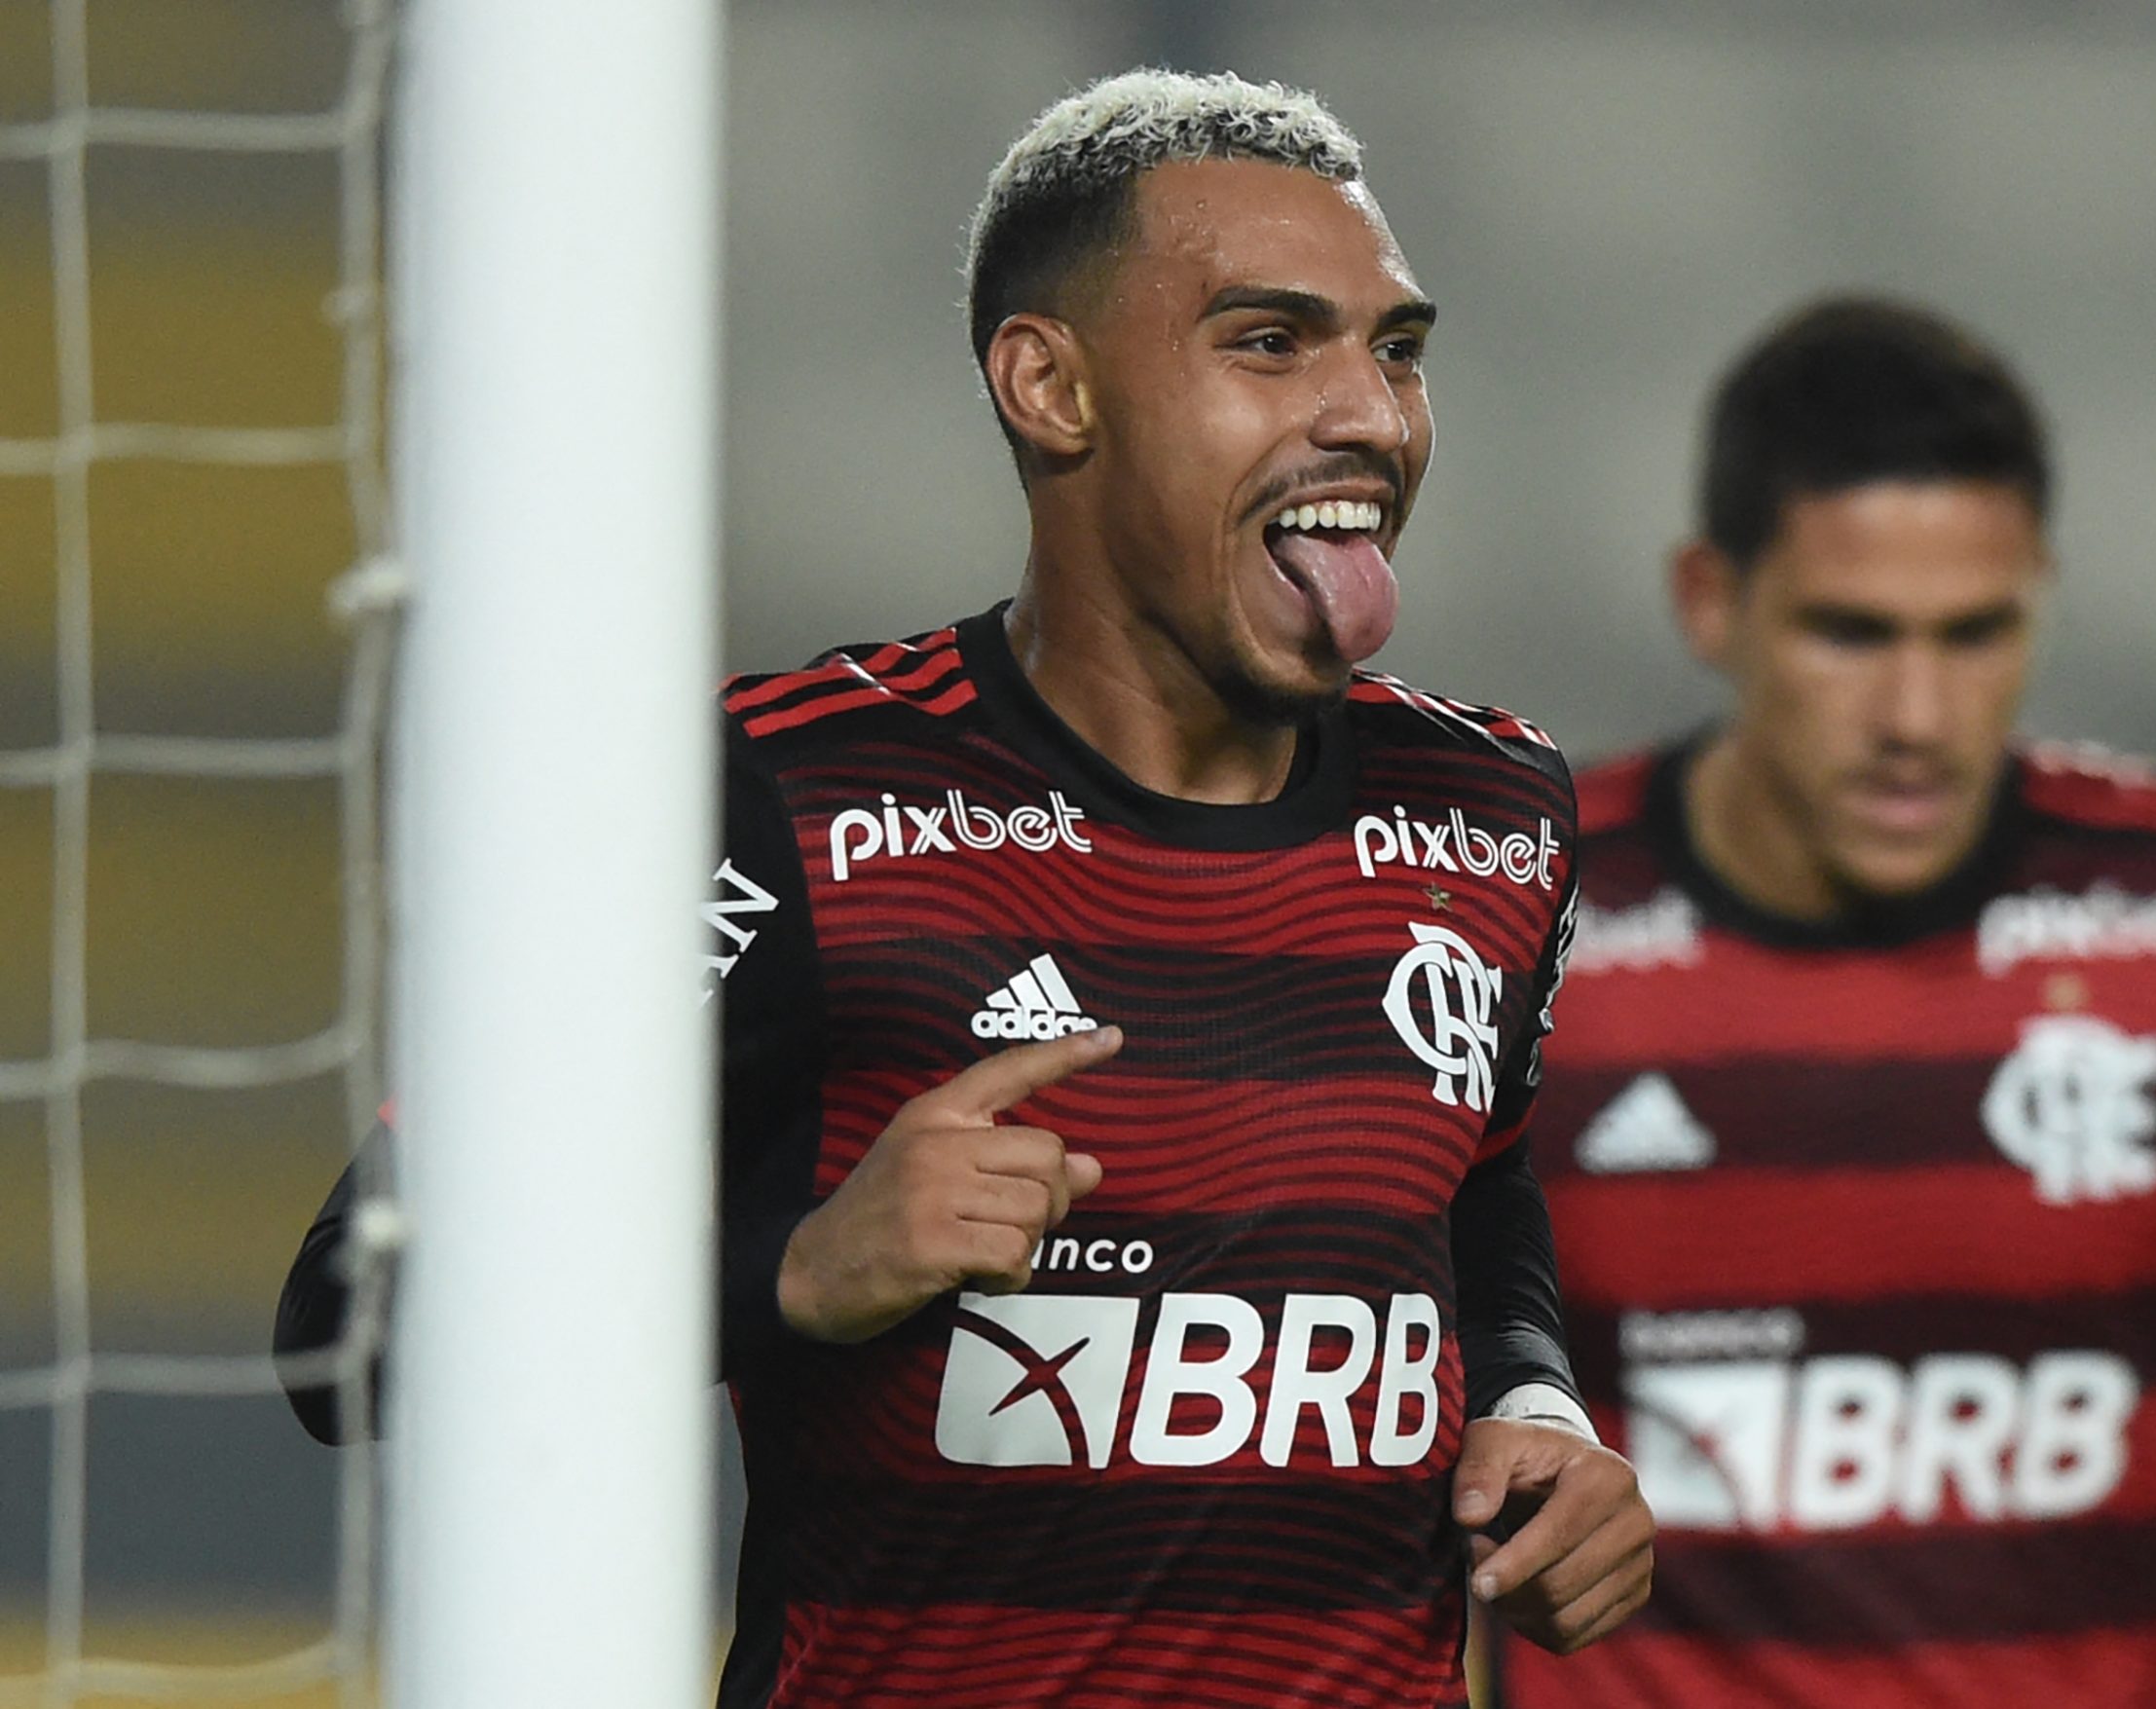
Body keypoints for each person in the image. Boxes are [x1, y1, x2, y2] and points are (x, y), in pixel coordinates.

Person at [276, 70, 1652, 1709]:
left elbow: (1473, 1192)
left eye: (1397, 348)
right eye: (1271, 342)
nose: (1371, 412)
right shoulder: (773, 797)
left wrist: (1541, 1408)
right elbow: (346, 1317)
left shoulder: (1493, 812)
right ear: (1049, 385)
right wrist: (796, 1274)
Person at [1491, 295, 2156, 1709]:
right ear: (1711, 602)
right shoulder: (1508, 920)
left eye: (1976, 633)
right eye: (1852, 632)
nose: (1917, 714)